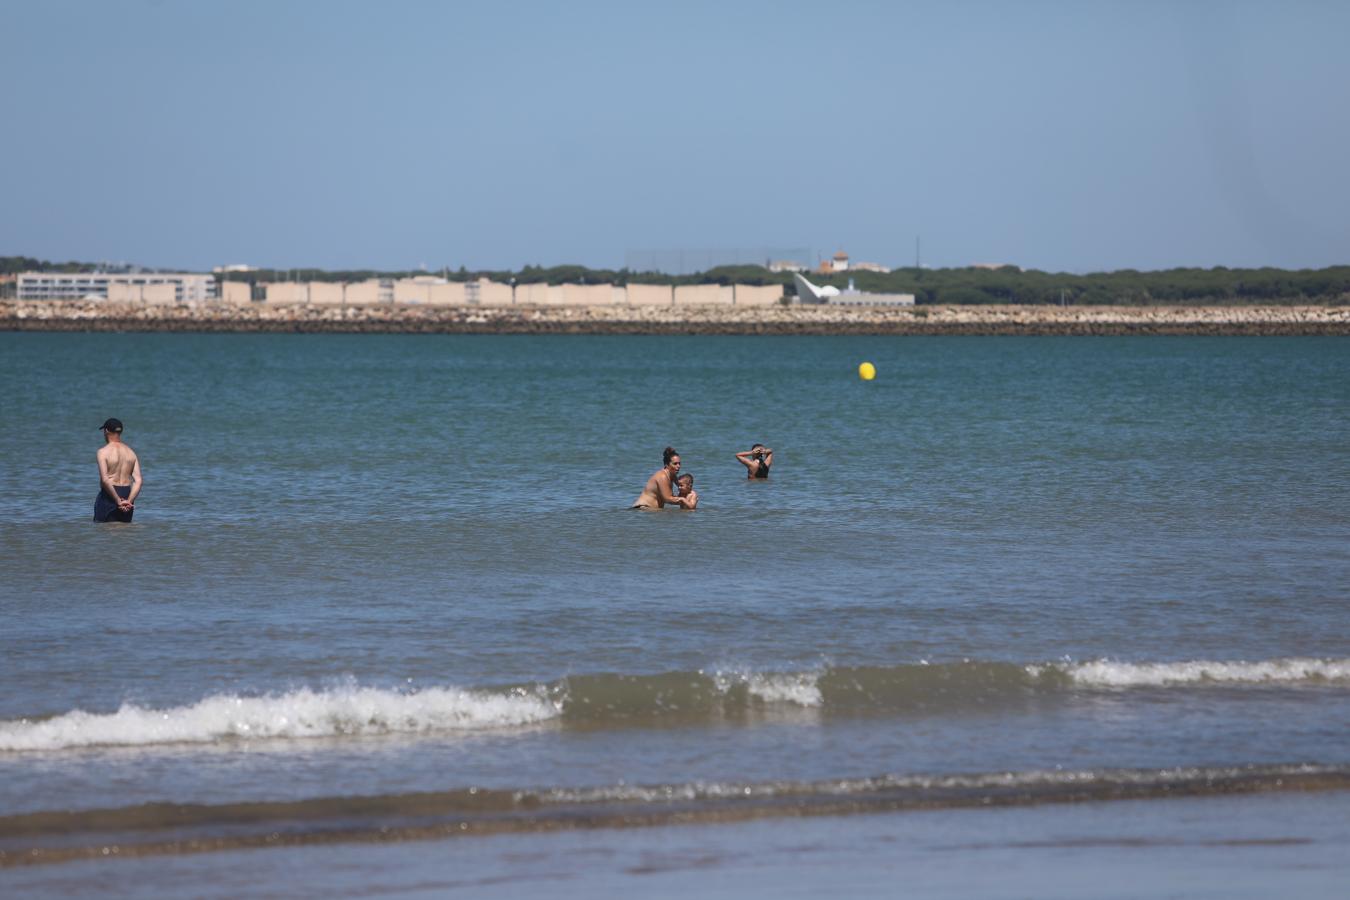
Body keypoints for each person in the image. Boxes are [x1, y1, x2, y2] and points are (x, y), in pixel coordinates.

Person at [94, 417, 142, 523]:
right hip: (127, 494)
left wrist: (117, 501)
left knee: (104, 532)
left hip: (109, 495)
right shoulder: (131, 453)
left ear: (106, 431)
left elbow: (105, 480)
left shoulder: (102, 452)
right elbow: (138, 481)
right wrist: (129, 501)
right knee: (124, 534)